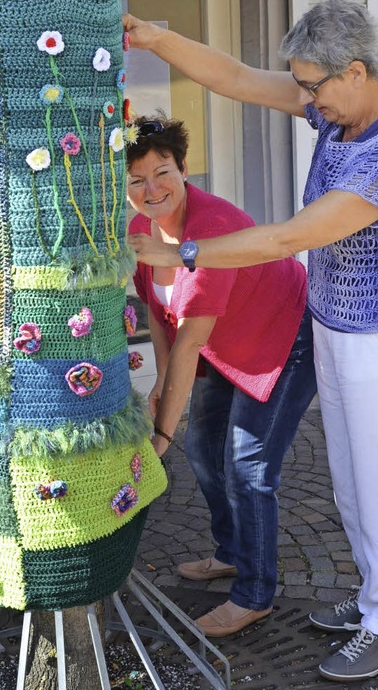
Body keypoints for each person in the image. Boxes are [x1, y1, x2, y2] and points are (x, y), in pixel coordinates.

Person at [124, 0, 378, 681]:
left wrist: (185, 256)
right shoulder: (337, 109)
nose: (304, 99)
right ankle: (373, 597)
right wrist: (156, 37)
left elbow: (289, 237)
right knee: (354, 485)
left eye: (312, 86)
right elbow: (236, 78)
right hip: (335, 328)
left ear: (353, 73)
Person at [126, 114, 317, 638]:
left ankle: (254, 594)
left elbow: (189, 341)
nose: (151, 188)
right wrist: (162, 387)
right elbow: (160, 319)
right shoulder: (141, 228)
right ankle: (234, 550)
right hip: (224, 340)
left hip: (284, 334)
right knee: (204, 450)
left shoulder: (210, 230)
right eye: (136, 179)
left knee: (247, 465)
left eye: (162, 171)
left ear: (185, 169)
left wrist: (161, 432)